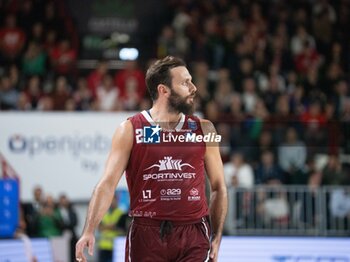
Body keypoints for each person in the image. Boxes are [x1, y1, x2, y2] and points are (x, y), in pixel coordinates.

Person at [76, 56, 228, 262]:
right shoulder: (129, 129)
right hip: (146, 233)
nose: (193, 88)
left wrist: (217, 237)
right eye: (185, 82)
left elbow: (219, 186)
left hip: (193, 232)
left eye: (191, 81)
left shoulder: (206, 128)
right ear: (163, 90)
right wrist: (88, 230)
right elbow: (107, 184)